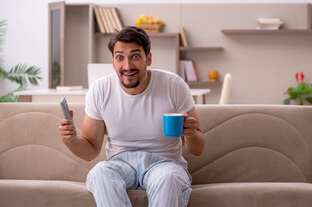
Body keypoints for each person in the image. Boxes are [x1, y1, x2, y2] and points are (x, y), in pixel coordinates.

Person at [58, 26, 205, 207]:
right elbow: (90, 150)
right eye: (120, 58)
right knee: (100, 173)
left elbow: (197, 149)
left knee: (168, 179)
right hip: (120, 164)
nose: (127, 66)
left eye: (135, 56)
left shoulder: (173, 84)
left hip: (164, 163)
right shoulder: (100, 89)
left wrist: (190, 133)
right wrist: (71, 140)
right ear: (113, 61)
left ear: (148, 58)